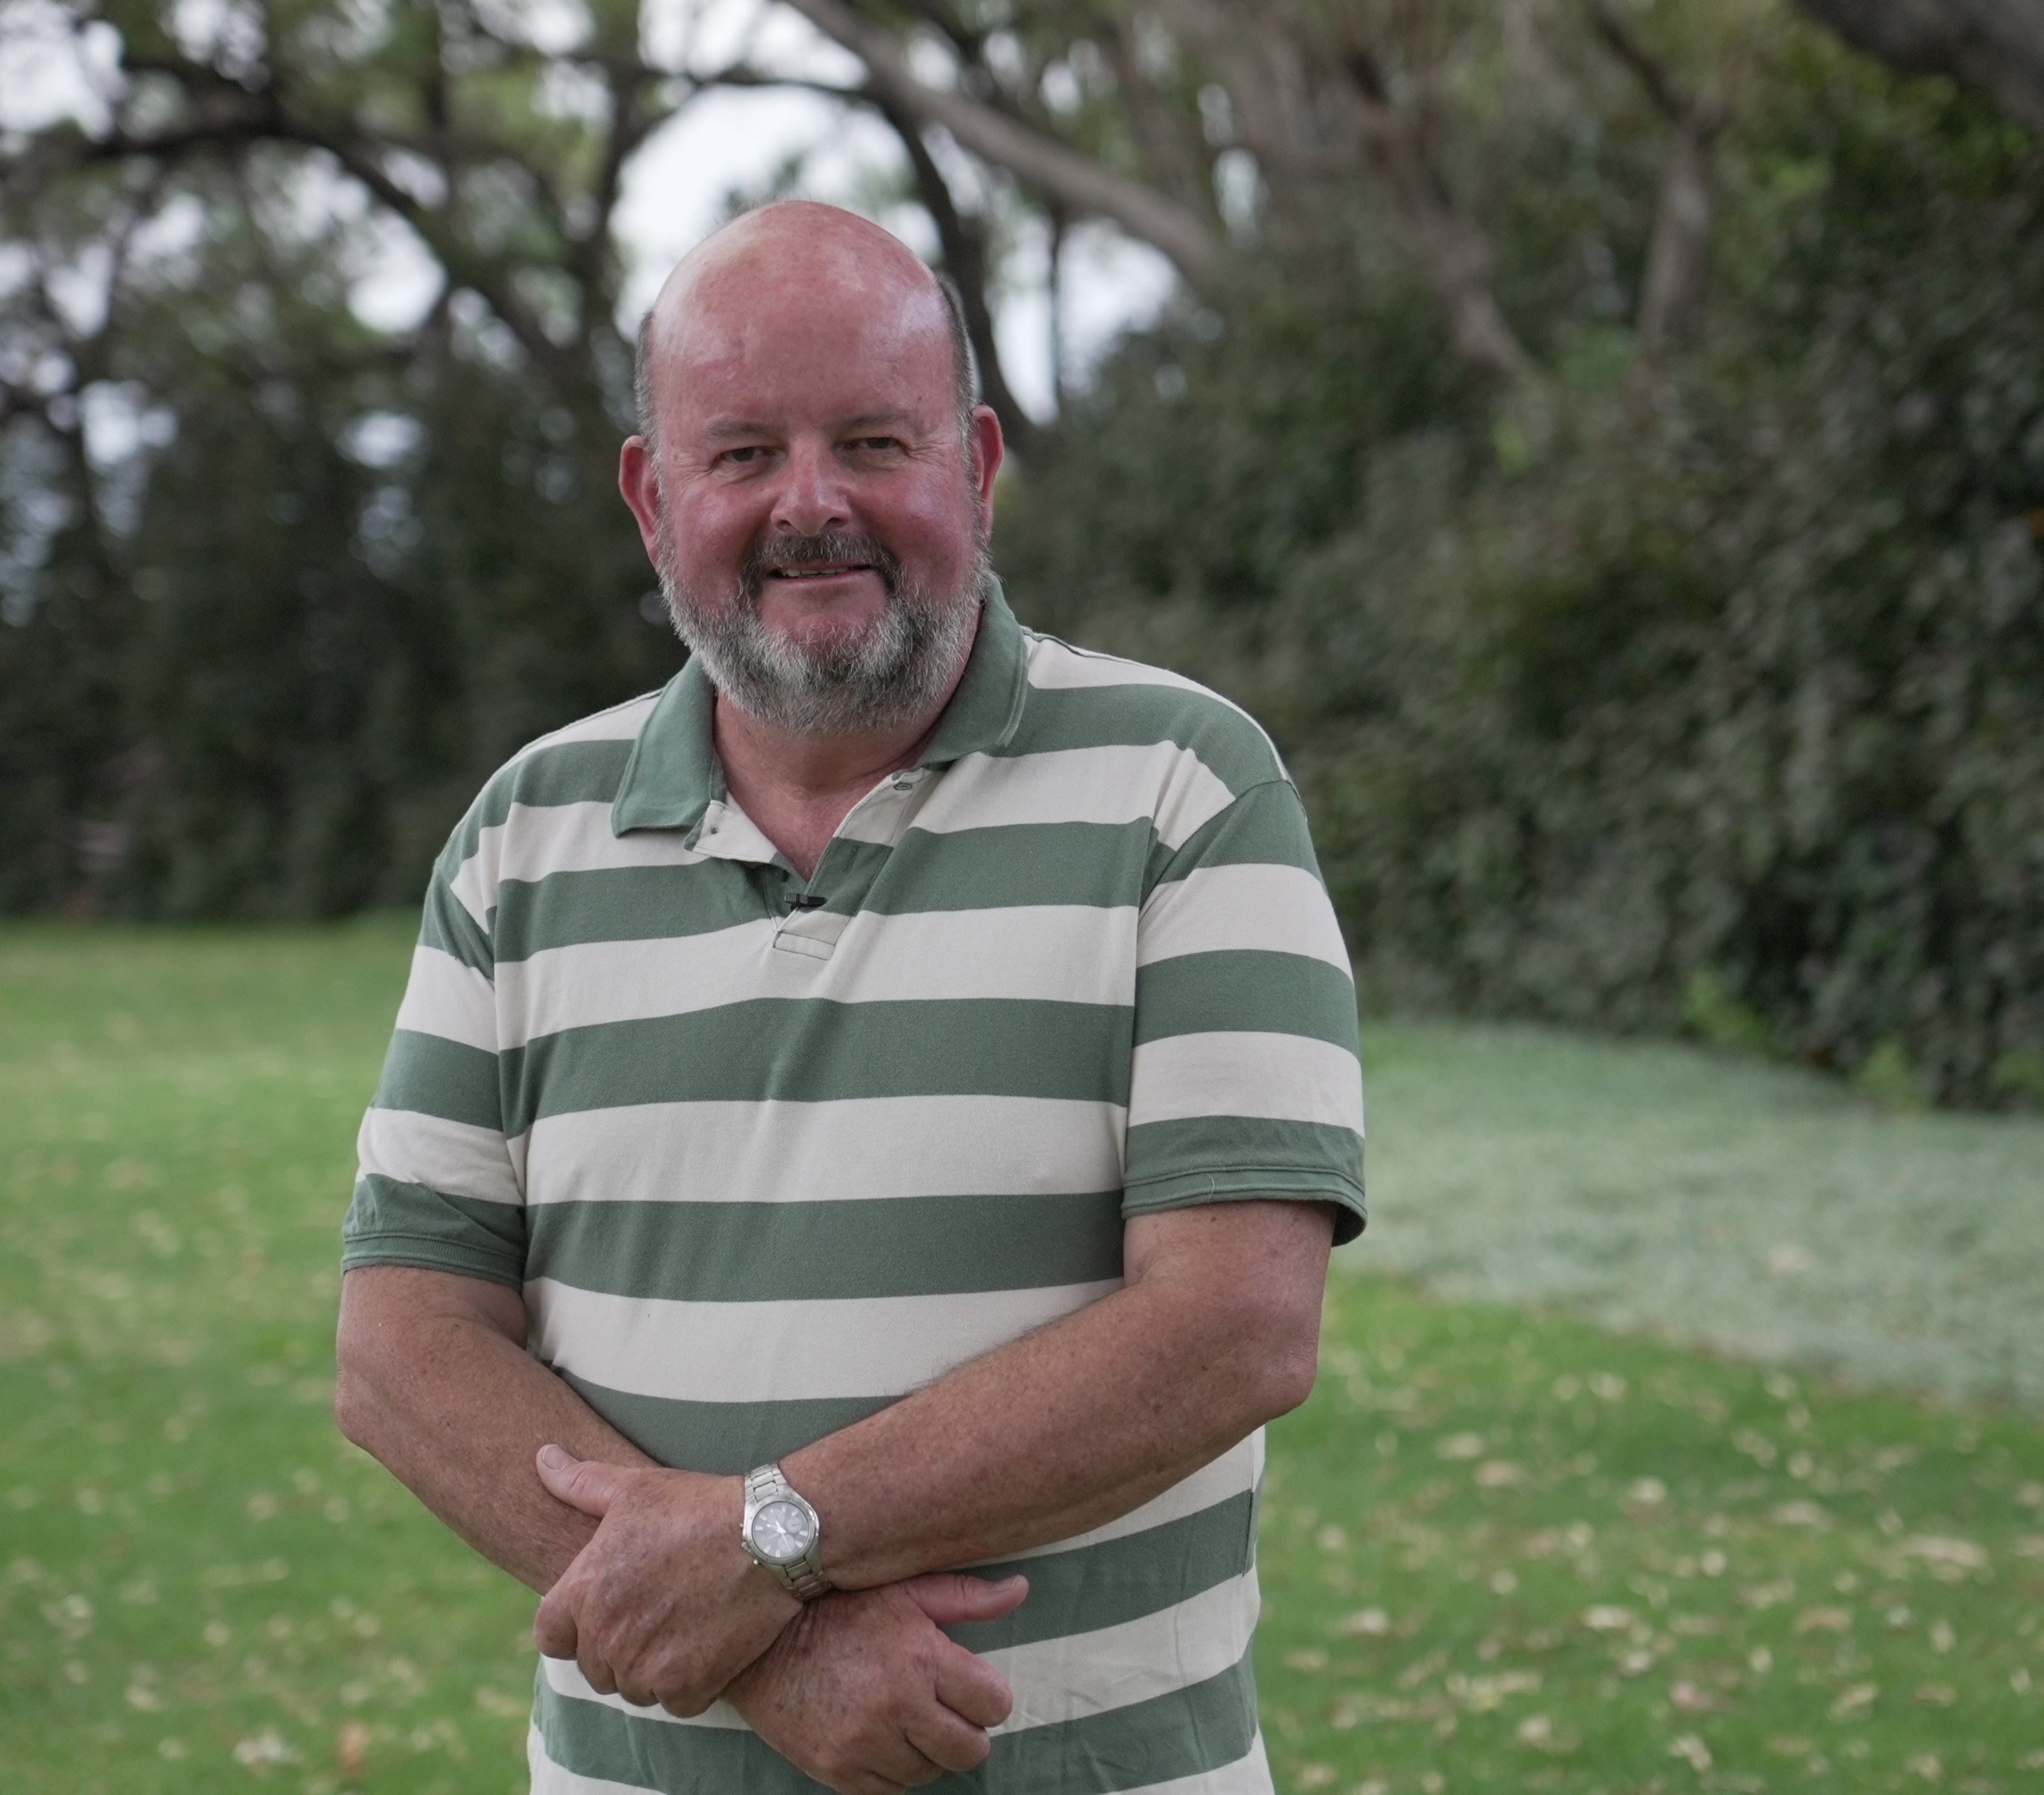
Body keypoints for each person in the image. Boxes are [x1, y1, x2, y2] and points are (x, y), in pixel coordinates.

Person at [333, 200, 1366, 1795]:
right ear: (649, 494)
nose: (811, 505)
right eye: (741, 453)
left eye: (873, 442)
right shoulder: (521, 837)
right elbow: (400, 1348)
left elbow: (1233, 1326)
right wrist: (779, 1643)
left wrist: (771, 1536)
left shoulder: (1186, 789)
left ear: (976, 463)